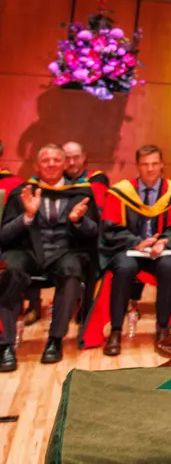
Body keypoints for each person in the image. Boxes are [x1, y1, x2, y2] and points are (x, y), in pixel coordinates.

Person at [81, 145, 171, 356]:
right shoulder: (121, 192)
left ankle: (163, 329)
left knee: (168, 266)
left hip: (160, 252)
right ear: (137, 166)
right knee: (123, 268)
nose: (150, 169)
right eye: (145, 164)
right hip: (128, 250)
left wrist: (164, 242)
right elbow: (110, 228)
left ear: (161, 165)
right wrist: (135, 242)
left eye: (154, 164)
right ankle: (115, 331)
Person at [0, 144, 100, 370]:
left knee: (72, 269)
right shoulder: (22, 193)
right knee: (10, 268)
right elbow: (4, 236)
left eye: (57, 160)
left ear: (65, 164)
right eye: (46, 160)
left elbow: (94, 233)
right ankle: (5, 344)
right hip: (27, 253)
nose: (52, 164)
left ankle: (55, 340)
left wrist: (78, 221)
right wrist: (26, 216)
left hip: (63, 252)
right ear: (37, 165)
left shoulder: (80, 194)